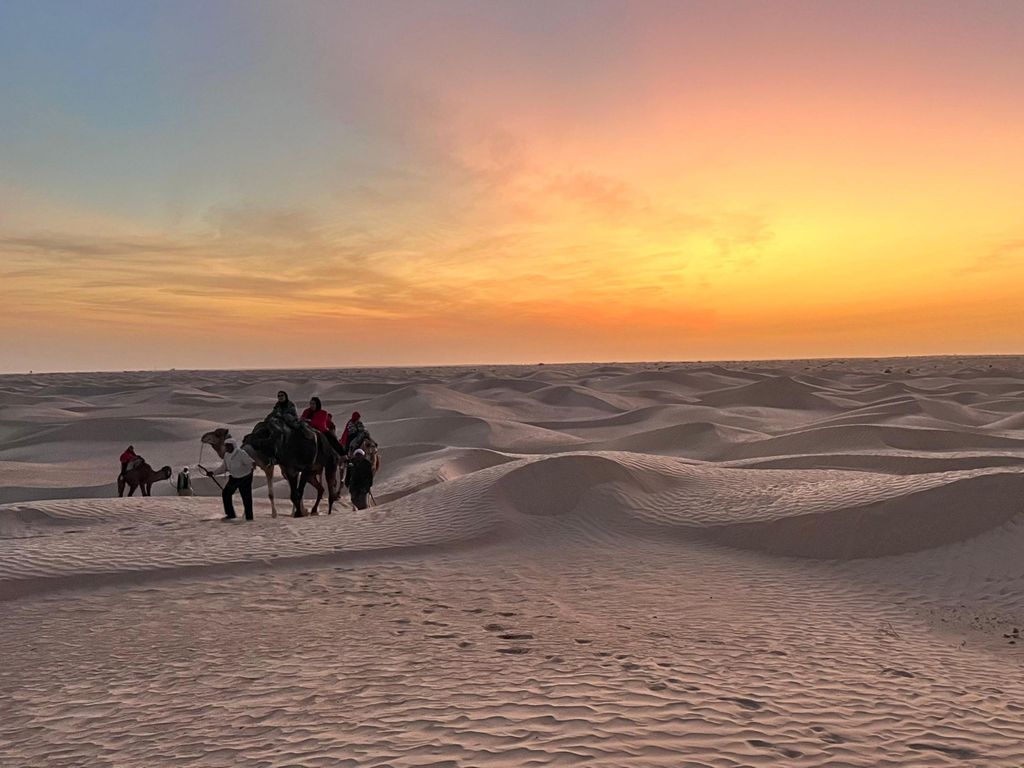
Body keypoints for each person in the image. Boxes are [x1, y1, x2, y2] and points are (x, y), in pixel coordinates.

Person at [205, 440, 256, 520]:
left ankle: (249, 517)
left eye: (228, 445)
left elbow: (251, 463)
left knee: (246, 497)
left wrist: (250, 471)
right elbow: (224, 468)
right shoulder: (227, 455)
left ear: (233, 446)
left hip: (245, 478)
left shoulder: (241, 453)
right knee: (226, 493)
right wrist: (213, 473)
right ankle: (230, 514)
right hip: (234, 478)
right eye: (226, 446)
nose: (227, 447)